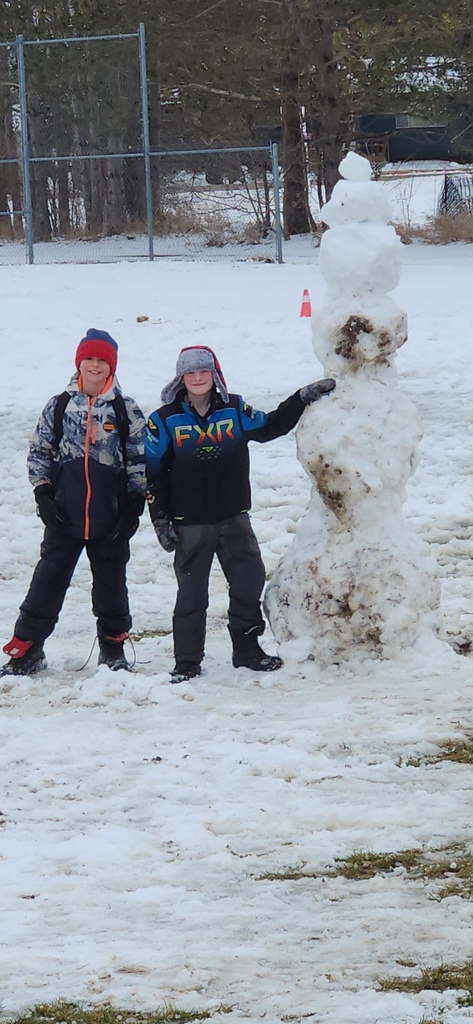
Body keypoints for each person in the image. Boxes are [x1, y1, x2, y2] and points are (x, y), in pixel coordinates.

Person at [145, 345, 336, 682]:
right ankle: (187, 662)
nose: (198, 378)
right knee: (191, 594)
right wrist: (160, 519)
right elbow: (152, 473)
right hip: (189, 524)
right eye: (191, 373)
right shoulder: (163, 420)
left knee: (248, 583)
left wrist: (301, 398)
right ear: (181, 379)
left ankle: (246, 651)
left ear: (214, 374)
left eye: (204, 372)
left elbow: (270, 426)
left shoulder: (234, 408)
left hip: (233, 516)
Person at [0, 329, 147, 677]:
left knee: (112, 585)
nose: (95, 365)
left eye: (102, 360)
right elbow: (40, 451)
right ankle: (27, 651)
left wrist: (133, 506)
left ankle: (113, 649)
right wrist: (43, 494)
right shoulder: (59, 405)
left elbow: (138, 461)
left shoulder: (126, 410)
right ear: (79, 362)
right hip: (64, 515)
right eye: (89, 359)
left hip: (109, 517)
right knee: (47, 583)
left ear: (111, 365)